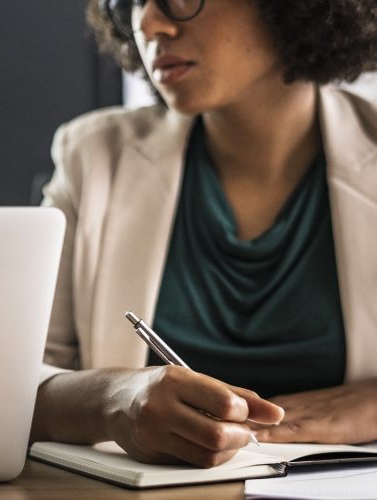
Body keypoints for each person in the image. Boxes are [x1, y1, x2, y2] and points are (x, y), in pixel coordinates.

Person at [30, 0, 377, 468]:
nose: (148, 23)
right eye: (129, 2)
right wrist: (112, 400)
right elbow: (13, 380)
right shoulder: (92, 156)